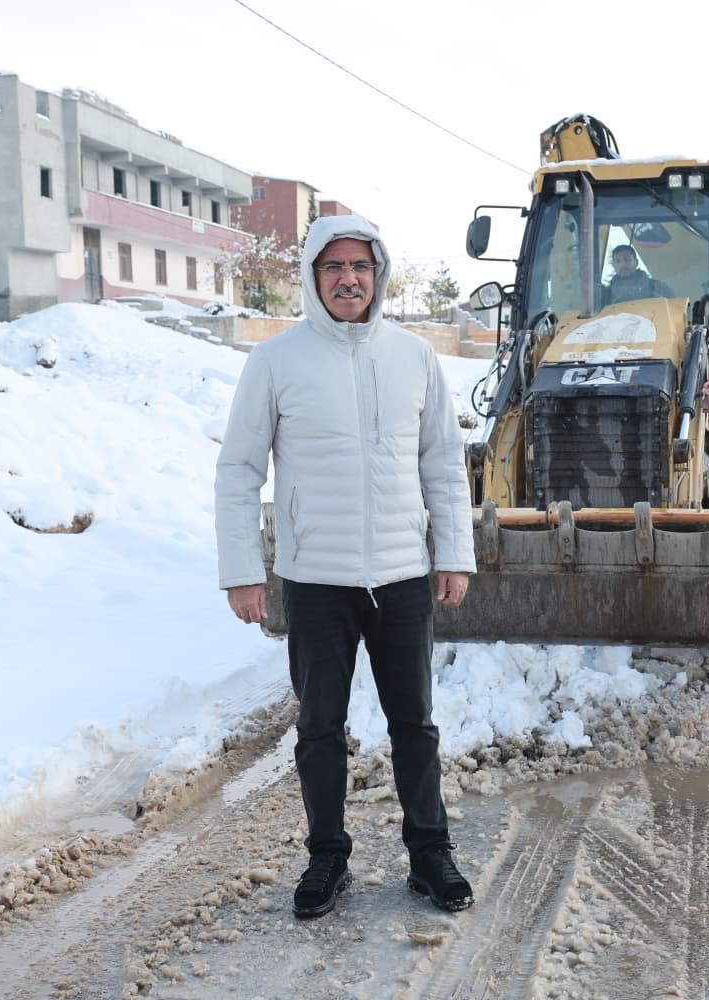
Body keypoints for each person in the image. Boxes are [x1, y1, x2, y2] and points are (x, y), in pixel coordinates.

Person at [214, 215, 477, 920]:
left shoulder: (415, 357)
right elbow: (238, 471)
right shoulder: (275, 361)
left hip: (401, 576)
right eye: (333, 267)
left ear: (379, 274)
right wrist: (244, 570)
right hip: (316, 579)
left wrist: (453, 553)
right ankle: (326, 855)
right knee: (320, 729)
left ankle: (430, 852)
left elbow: (443, 466)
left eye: (360, 265)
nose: (349, 278)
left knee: (414, 724)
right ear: (312, 276)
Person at [603, 244, 673, 307]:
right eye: (618, 261)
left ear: (636, 262)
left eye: (627, 259)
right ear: (613, 265)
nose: (623, 264)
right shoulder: (605, 296)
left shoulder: (659, 288)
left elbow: (675, 311)